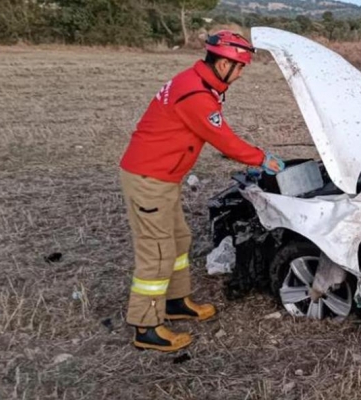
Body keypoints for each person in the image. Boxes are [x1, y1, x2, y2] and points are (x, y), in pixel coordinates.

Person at [118, 31, 283, 352]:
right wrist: (261, 159)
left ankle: (176, 301)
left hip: (163, 177)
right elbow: (223, 138)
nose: (241, 74)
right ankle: (146, 326)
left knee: (179, 240)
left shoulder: (197, 83)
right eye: (240, 68)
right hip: (148, 177)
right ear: (223, 63)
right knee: (158, 252)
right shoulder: (195, 94)